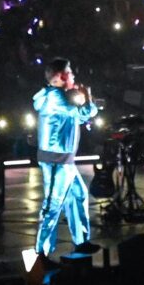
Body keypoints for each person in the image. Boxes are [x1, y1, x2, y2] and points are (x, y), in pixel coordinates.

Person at [31, 60, 99, 259]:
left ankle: (81, 242)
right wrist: (87, 98)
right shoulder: (55, 96)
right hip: (56, 162)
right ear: (61, 76)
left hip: (65, 161)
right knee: (52, 205)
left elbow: (82, 116)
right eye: (70, 72)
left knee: (78, 195)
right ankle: (40, 255)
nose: (73, 76)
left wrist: (85, 102)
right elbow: (84, 112)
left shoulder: (61, 97)